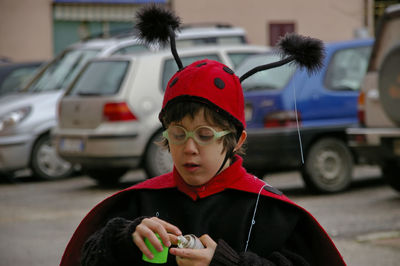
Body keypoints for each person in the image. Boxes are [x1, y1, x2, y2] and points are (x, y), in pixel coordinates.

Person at [60, 5, 345, 266]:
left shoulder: (270, 211)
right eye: (178, 134)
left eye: (205, 135)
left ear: (238, 141)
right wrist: (125, 236)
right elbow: (88, 258)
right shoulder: (139, 202)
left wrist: (226, 263)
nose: (189, 148)